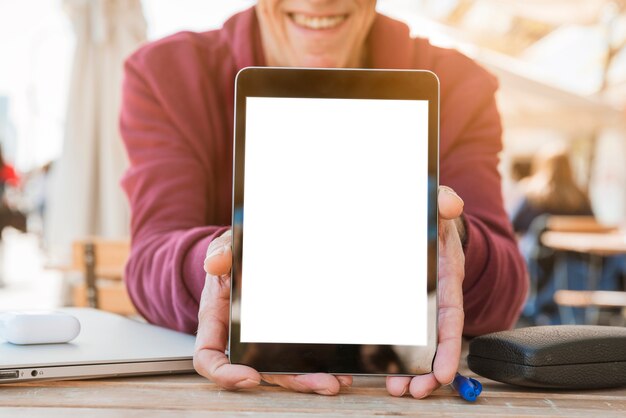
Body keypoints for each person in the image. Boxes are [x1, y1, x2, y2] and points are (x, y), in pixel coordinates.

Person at [120, 1, 528, 398]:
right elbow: (150, 260)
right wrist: (233, 261)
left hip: (394, 390)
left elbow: (506, 284)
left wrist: (449, 236)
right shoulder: (166, 74)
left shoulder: (458, 83)